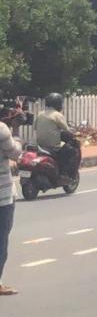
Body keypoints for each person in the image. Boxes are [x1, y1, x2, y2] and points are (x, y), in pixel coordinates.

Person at [0, 115, 22, 295]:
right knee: (1, 241)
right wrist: (16, 131)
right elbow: (15, 153)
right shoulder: (1, 129)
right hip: (2, 196)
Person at [34, 93, 76, 181]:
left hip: (39, 145)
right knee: (70, 151)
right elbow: (67, 130)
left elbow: (35, 127)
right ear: (58, 104)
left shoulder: (40, 114)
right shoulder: (57, 115)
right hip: (53, 146)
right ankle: (63, 173)